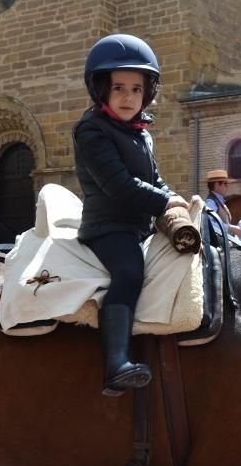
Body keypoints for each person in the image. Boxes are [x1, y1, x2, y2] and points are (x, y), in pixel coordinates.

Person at [74, 33, 189, 396]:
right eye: (119, 87)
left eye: (136, 89)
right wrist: (163, 203)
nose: (128, 97)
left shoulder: (142, 133)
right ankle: (116, 365)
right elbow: (118, 186)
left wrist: (176, 198)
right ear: (101, 89)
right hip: (109, 227)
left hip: (139, 226)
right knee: (128, 272)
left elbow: (154, 180)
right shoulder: (91, 130)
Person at [203, 169, 241, 238]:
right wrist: (230, 228)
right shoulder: (211, 202)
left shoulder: (219, 201)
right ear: (216, 185)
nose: (227, 186)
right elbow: (208, 224)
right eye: (225, 183)